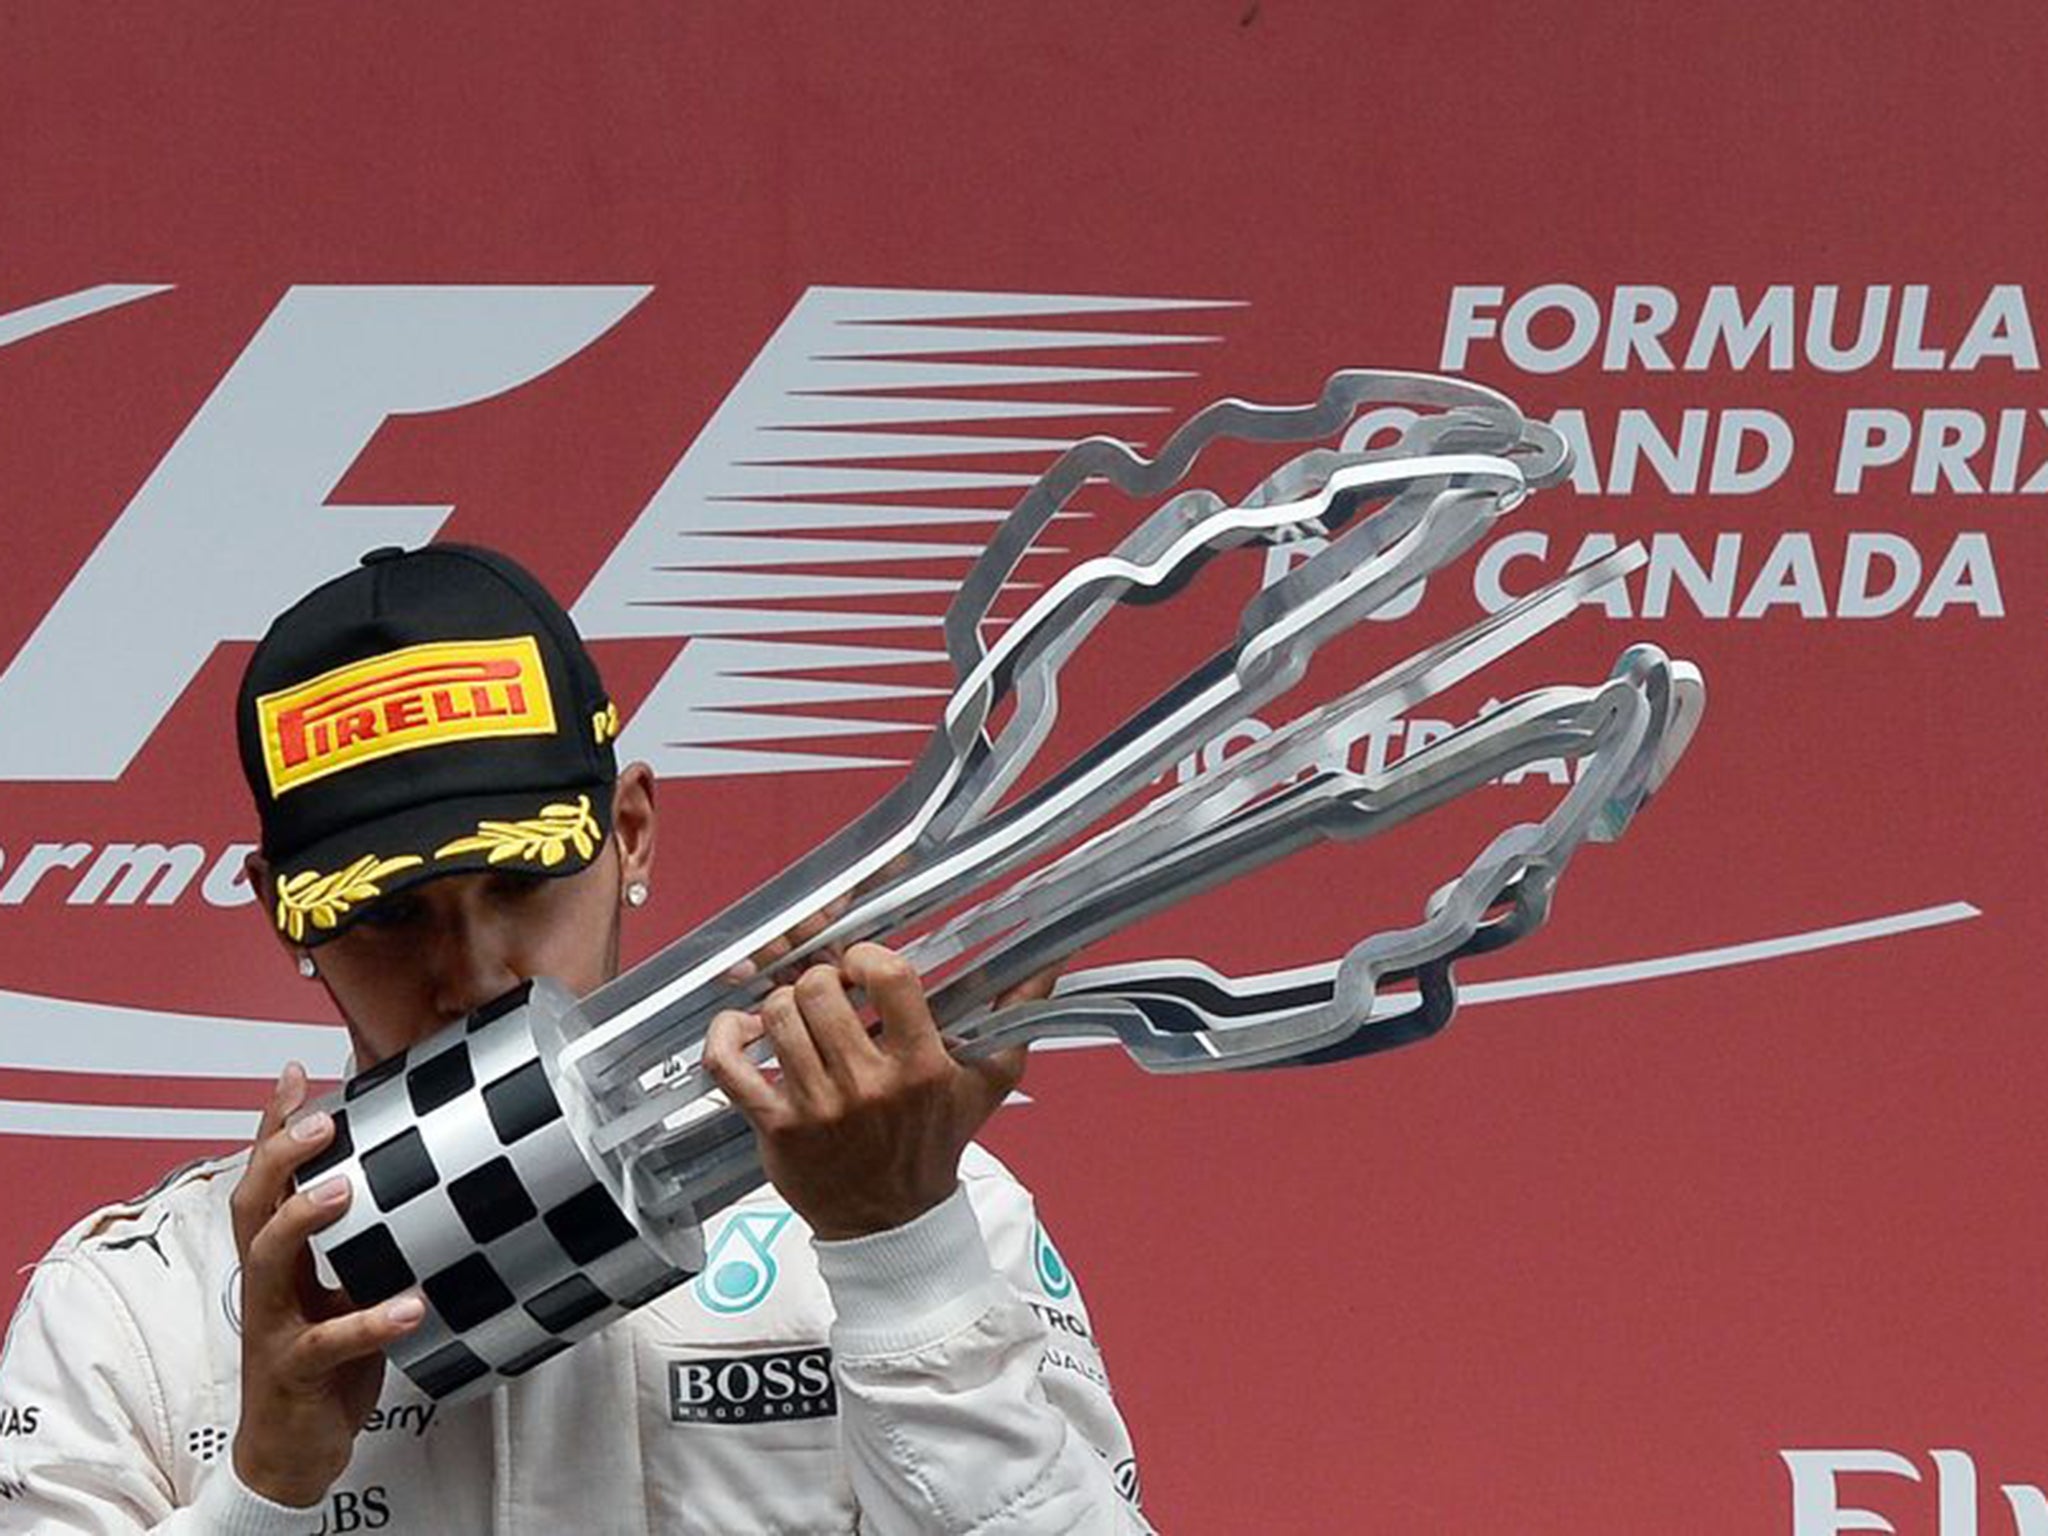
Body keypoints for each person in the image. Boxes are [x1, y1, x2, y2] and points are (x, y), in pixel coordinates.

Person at [0, 544, 1149, 1533]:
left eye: (518, 880)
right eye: (388, 915)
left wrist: (898, 1250)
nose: (473, 975)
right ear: (284, 915)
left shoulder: (890, 1187)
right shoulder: (134, 1308)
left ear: (629, 835)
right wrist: (267, 1487)